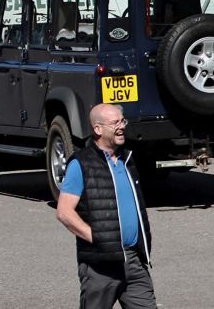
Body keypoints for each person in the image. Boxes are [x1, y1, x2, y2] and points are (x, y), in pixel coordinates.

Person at [56, 104, 156, 309]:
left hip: (134, 259)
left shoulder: (127, 159)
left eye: (123, 121)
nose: (122, 127)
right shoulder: (81, 164)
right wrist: (98, 237)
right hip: (100, 266)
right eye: (115, 123)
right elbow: (64, 212)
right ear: (98, 129)